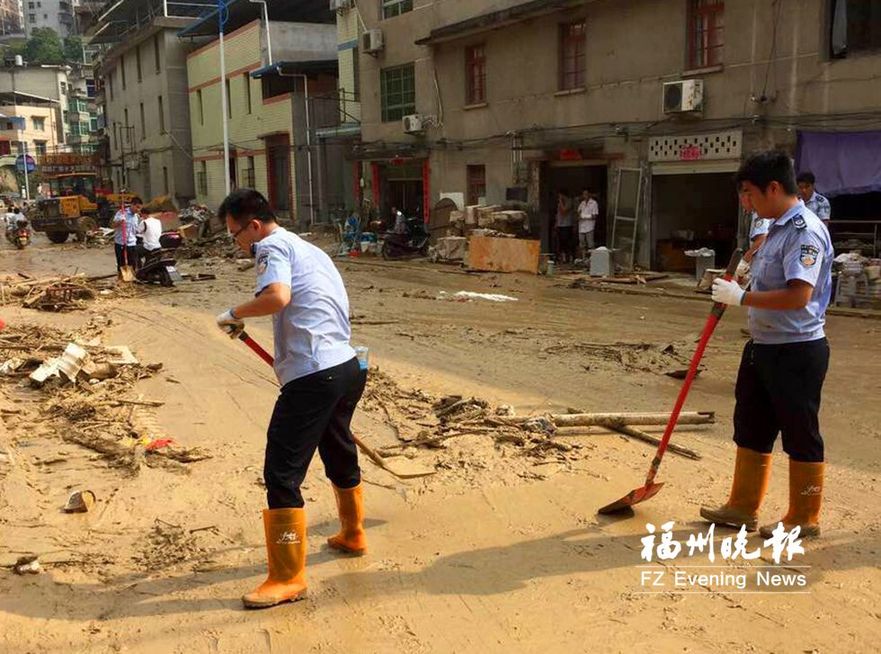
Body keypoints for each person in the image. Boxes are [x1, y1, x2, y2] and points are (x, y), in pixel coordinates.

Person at [215, 189, 367, 609]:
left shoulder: (270, 246)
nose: (238, 245)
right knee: (338, 447)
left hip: (314, 374)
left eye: (235, 235)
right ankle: (353, 533)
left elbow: (277, 297)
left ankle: (287, 576)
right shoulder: (309, 248)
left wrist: (235, 313)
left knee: (281, 472)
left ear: (254, 225)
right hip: (346, 366)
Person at [701, 150, 833, 539]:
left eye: (749, 193)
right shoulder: (775, 226)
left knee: (800, 432)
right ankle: (742, 507)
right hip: (763, 345)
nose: (746, 202)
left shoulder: (804, 231)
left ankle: (804, 515)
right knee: (751, 426)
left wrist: (741, 298)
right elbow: (770, 280)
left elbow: (798, 296)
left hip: (797, 350)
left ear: (773, 188)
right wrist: (744, 282)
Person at [113, 197, 141, 272]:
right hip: (120, 242)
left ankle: (131, 279)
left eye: (139, 208)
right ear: (132, 205)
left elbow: (135, 230)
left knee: (132, 263)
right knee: (121, 264)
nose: (138, 210)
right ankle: (121, 279)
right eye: (137, 207)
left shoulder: (136, 216)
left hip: (131, 243)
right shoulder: (121, 213)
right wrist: (120, 221)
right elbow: (113, 225)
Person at [577, 190, 599, 258]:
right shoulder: (582, 203)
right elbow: (578, 212)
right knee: (582, 244)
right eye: (583, 194)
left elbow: (594, 216)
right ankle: (584, 259)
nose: (585, 195)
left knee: (590, 244)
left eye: (586, 194)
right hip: (581, 227)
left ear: (590, 194)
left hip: (589, 227)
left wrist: (584, 216)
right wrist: (580, 216)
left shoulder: (594, 203)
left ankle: (592, 259)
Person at [555, 189, 574, 264]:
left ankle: (569, 256)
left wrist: (560, 201)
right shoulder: (559, 203)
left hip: (567, 225)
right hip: (560, 225)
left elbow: (563, 211)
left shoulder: (569, 201)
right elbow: (558, 214)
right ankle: (562, 257)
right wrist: (556, 223)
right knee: (560, 242)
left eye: (560, 195)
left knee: (567, 241)